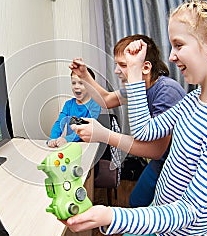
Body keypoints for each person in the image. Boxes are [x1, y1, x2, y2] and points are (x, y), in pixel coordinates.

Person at [65, 1, 207, 236]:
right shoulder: (193, 99)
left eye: (178, 44)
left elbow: (192, 210)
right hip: (157, 211)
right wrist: (133, 71)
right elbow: (143, 130)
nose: (172, 56)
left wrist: (111, 215)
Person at [70, 34, 186, 207]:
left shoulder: (167, 91)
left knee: (141, 204)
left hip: (175, 163)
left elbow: (156, 151)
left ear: (145, 67)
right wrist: (85, 76)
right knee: (136, 201)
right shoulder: (138, 88)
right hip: (159, 160)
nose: (117, 71)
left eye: (123, 65)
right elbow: (107, 100)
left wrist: (104, 135)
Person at [47, 68, 101, 148]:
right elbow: (59, 122)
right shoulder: (68, 104)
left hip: (88, 146)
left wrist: (67, 139)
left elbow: (85, 128)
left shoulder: (95, 104)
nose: (76, 87)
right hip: (72, 146)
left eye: (81, 83)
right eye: (73, 83)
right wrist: (53, 138)